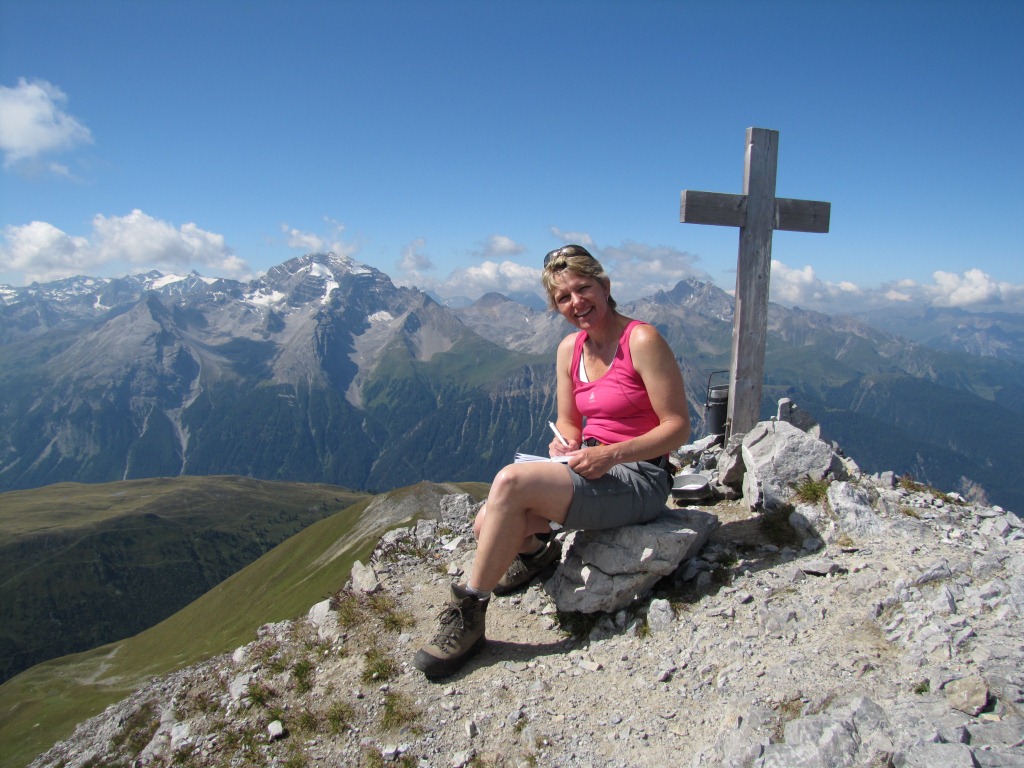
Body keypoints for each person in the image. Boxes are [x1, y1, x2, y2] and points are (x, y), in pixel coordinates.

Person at [414, 244, 690, 679]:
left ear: (605, 286)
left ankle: (469, 612)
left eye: (583, 289)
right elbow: (568, 421)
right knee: (486, 525)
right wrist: (566, 443)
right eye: (563, 297)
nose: (576, 303)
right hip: (589, 464)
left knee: (510, 484)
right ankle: (538, 554)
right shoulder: (570, 349)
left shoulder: (641, 340)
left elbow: (677, 428)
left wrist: (611, 453)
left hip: (641, 475)